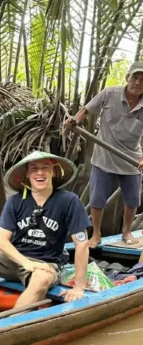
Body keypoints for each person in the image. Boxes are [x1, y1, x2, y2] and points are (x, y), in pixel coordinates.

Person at [0, 151, 91, 306]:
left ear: (53, 172)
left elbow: (82, 243)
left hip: (44, 263)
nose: (40, 173)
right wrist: (25, 263)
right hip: (13, 259)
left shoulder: (69, 201)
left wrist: (79, 287)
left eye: (45, 168)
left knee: (41, 279)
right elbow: (1, 241)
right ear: (27, 174)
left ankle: (10, 326)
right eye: (34, 168)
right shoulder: (15, 201)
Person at [65, 61, 143, 247]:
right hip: (104, 157)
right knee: (97, 199)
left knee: (132, 199)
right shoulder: (110, 94)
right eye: (135, 77)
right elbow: (86, 109)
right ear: (127, 78)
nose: (138, 82)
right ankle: (96, 234)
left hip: (131, 160)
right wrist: (75, 120)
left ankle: (126, 232)